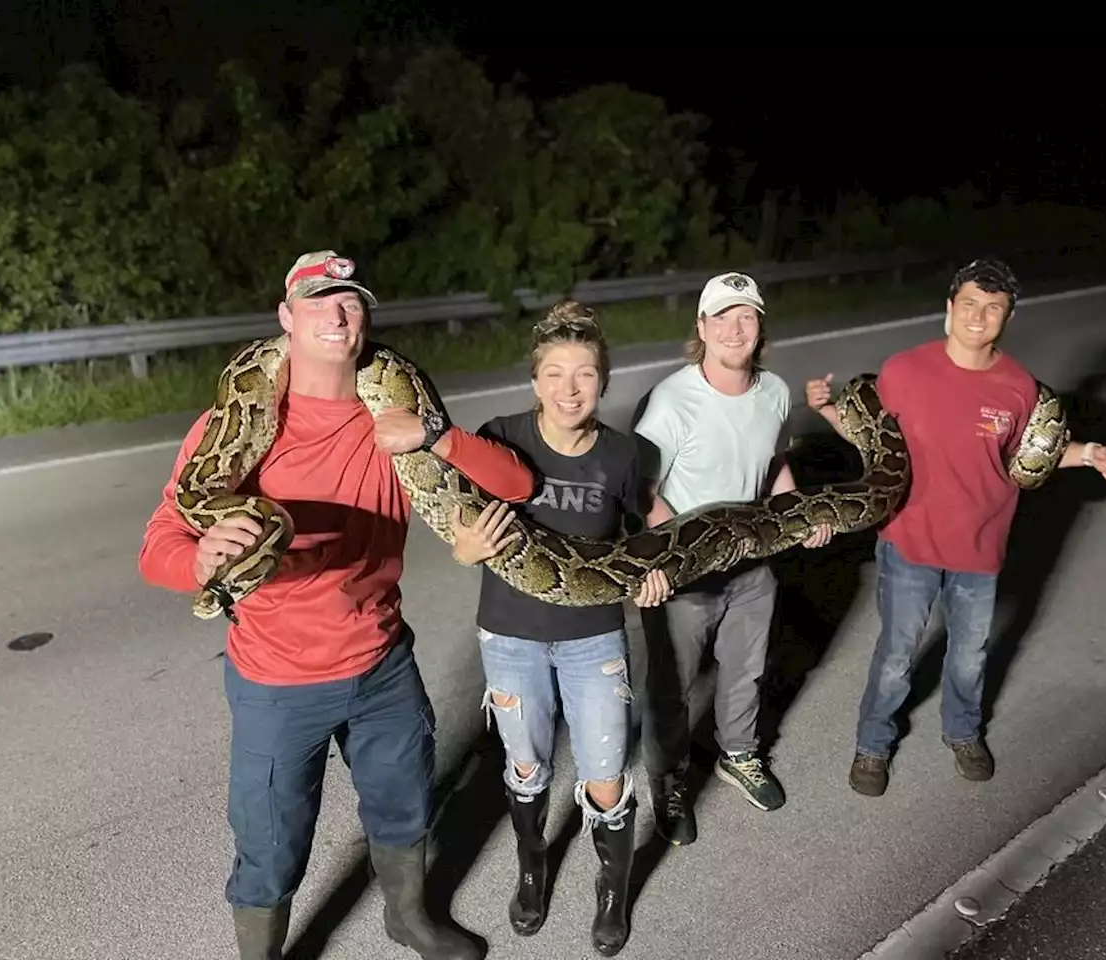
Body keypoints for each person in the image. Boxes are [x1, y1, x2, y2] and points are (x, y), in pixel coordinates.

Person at [137, 250, 537, 960]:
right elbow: (159, 543)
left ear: (366, 318)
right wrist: (199, 559)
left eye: (351, 301)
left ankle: (408, 918)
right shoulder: (232, 427)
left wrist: (450, 473)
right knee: (270, 839)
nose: (338, 314)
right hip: (277, 679)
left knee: (406, 801)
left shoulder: (399, 410)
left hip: (382, 659)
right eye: (319, 301)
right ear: (287, 318)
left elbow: (508, 485)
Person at [804, 257, 1106, 797]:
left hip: (980, 547)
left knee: (970, 655)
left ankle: (963, 732)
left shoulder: (1021, 388)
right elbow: (872, 438)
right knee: (895, 654)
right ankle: (872, 745)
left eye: (994, 308)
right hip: (908, 542)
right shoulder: (903, 370)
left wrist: (1090, 453)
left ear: (1008, 317)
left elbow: (1034, 455)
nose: (980, 317)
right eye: (971, 304)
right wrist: (828, 410)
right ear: (950, 308)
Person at [449, 299, 671, 957]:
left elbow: (652, 523)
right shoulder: (501, 437)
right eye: (554, 373)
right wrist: (465, 549)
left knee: (605, 774)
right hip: (509, 634)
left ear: (603, 381)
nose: (568, 389)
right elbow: (461, 520)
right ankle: (532, 865)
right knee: (527, 765)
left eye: (583, 374)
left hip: (594, 636)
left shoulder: (625, 455)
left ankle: (612, 890)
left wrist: (660, 566)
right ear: (535, 379)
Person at [633, 271, 832, 846]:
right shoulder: (672, 400)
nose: (735, 328)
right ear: (701, 327)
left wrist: (800, 517)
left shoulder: (773, 392)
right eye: (721, 317)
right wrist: (683, 554)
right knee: (672, 683)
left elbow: (774, 468)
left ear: (760, 327)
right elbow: (643, 490)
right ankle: (668, 778)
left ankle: (738, 755)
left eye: (746, 316)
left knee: (746, 670)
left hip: (752, 566)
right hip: (687, 574)